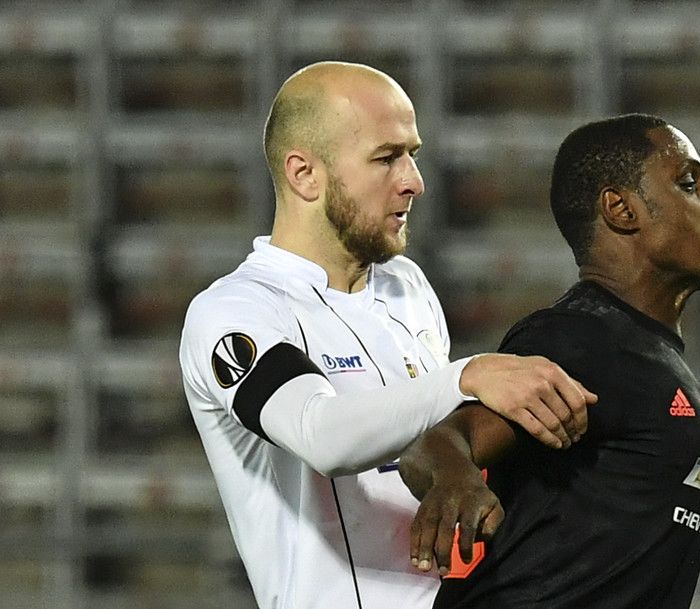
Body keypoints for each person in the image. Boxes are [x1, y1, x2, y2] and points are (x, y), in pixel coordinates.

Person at [178, 61, 596, 609]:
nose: (413, 181)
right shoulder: (235, 313)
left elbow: (422, 441)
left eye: (412, 155)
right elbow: (321, 434)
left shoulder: (407, 287)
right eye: (386, 158)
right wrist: (467, 376)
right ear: (305, 175)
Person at [399, 113, 700, 609]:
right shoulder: (579, 337)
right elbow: (438, 445)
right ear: (621, 209)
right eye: (689, 184)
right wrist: (456, 478)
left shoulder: (646, 352)